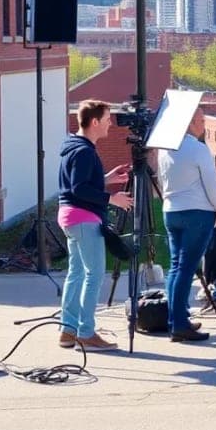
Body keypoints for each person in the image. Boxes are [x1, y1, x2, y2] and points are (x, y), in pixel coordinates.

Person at [56, 99, 133, 352]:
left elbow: (78, 183)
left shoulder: (74, 146)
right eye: (107, 119)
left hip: (70, 216)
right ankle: (86, 333)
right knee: (94, 274)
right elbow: (79, 188)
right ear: (95, 122)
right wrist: (113, 198)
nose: (110, 124)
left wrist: (107, 178)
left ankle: (68, 331)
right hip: (83, 218)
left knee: (77, 273)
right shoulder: (85, 151)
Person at [157, 107, 216, 343]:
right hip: (197, 212)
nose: (204, 125)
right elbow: (212, 183)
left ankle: (176, 319)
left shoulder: (164, 148)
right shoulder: (197, 149)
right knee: (186, 268)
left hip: (171, 210)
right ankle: (179, 324)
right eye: (201, 120)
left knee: (176, 266)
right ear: (190, 123)